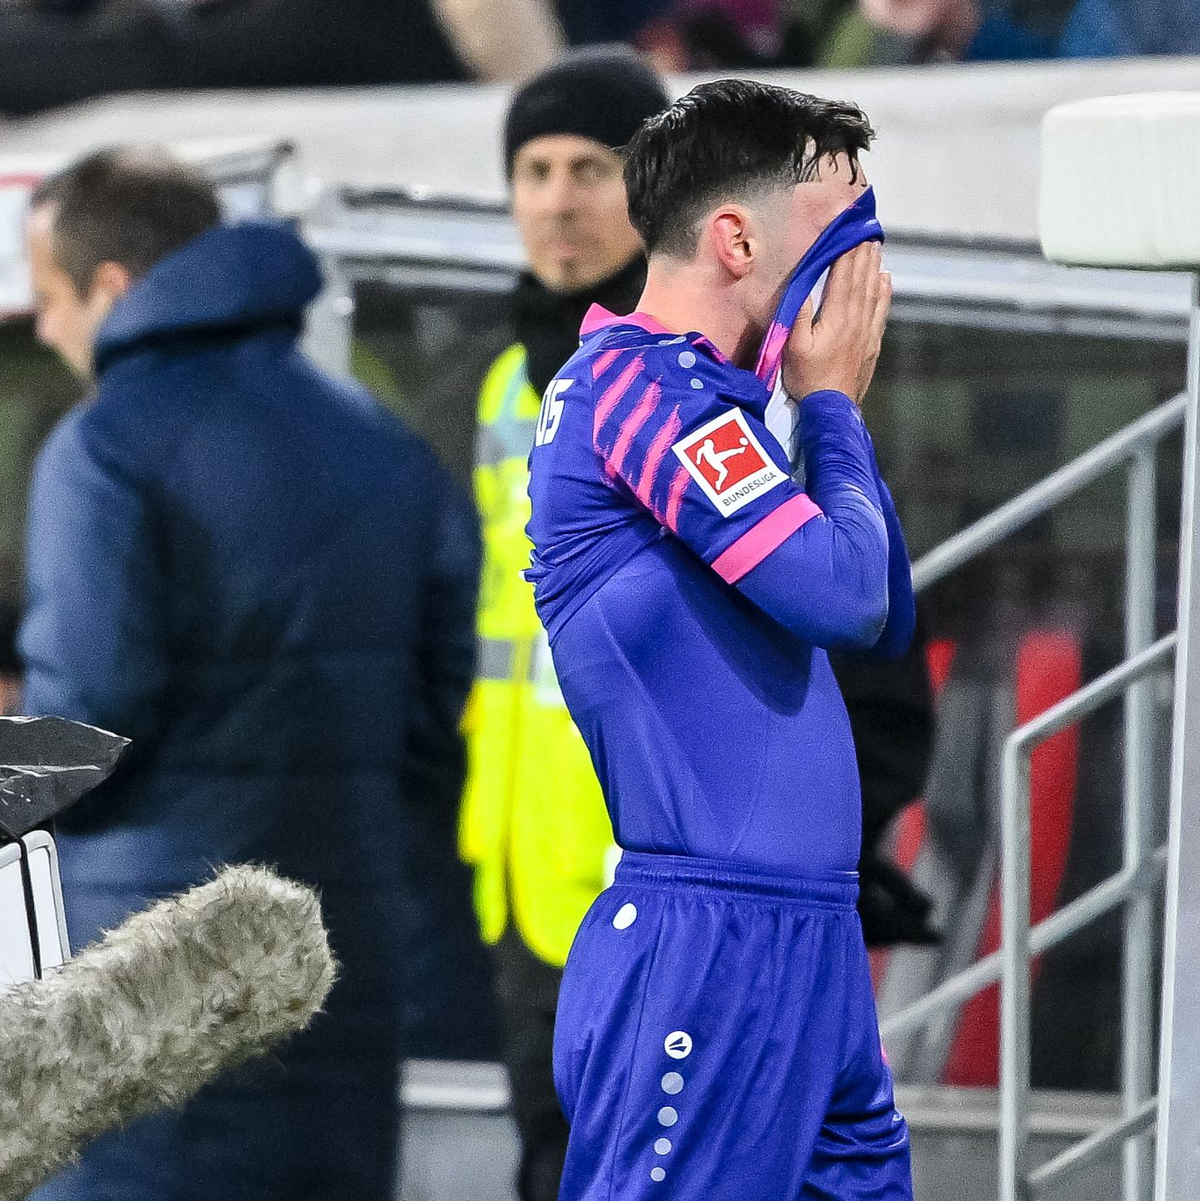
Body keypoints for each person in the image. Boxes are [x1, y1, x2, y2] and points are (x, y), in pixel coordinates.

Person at [19, 148, 478, 1201]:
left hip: (146, 984)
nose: (43, 330)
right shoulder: (383, 444)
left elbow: (86, 725)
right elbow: (434, 701)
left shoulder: (103, 449)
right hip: (338, 964)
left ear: (111, 288)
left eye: (48, 298)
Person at [526, 79, 914, 1198]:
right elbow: (844, 598)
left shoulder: (720, 405)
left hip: (809, 939)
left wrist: (821, 410)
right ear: (738, 240)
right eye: (843, 233)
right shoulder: (635, 388)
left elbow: (883, 603)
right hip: (708, 946)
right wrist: (831, 406)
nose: (864, 272)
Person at [454, 47, 669, 1201]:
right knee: (552, 1155)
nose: (557, 201)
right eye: (533, 171)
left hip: (653, 869)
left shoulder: (705, 375)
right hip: (530, 875)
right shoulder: (509, 384)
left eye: (592, 167)